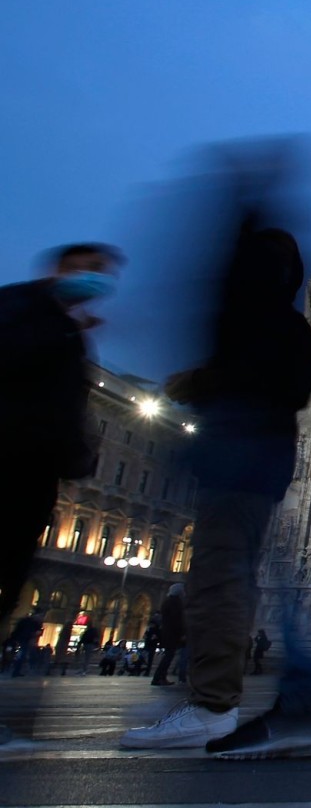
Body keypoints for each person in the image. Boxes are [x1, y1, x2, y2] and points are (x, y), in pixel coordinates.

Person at [122, 221, 311, 758]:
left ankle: (215, 707)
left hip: (239, 468)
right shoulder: (292, 328)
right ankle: (303, 700)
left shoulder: (264, 327)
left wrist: (200, 384)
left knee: (222, 579)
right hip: (266, 471)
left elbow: (265, 386)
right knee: (255, 580)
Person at [0, 243, 123, 635]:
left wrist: (77, 455)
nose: (97, 279)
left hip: (37, 468)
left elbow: (67, 404)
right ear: (61, 268)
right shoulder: (21, 309)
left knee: (14, 567)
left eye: (102, 272)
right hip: (12, 457)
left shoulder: (67, 327)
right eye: (89, 269)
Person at [151, 583, 186, 686]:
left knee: (168, 656)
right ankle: (159, 678)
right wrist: (182, 633)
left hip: (167, 633)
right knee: (168, 657)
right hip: (172, 634)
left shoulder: (168, 601)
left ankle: (160, 678)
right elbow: (177, 620)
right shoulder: (175, 603)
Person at [8, 610, 43, 678]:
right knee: (23, 655)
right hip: (24, 640)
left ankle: (17, 670)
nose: (41, 618)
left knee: (22, 655)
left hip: (23, 640)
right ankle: (17, 671)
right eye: (40, 616)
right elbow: (33, 632)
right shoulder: (31, 623)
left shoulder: (28, 621)